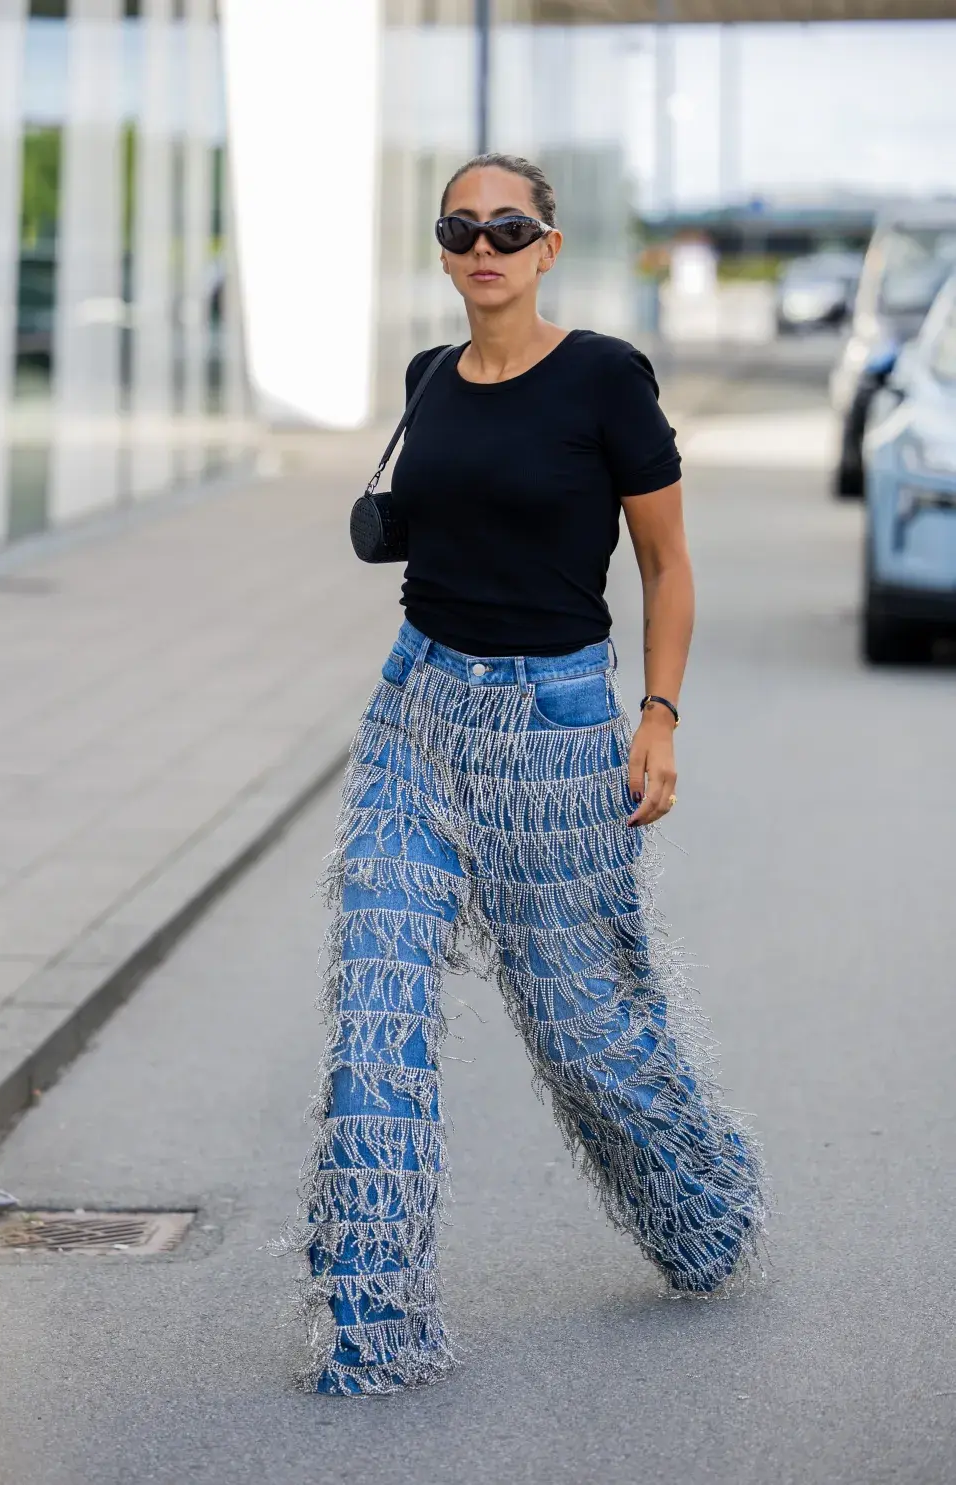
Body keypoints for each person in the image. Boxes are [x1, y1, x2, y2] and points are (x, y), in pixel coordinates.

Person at [276, 153, 766, 1396]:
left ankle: (704, 1206)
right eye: (461, 227)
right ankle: (369, 1330)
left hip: (556, 734)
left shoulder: (605, 378)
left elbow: (667, 565)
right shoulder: (427, 379)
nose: (483, 245)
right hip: (417, 714)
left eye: (508, 227)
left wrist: (655, 718)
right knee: (374, 1007)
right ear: (443, 250)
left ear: (547, 247)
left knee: (585, 1035)